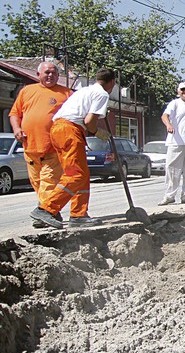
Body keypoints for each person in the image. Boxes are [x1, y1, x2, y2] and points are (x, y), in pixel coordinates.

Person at [30, 68, 116, 229]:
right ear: (112, 82)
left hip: (59, 129)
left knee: (81, 174)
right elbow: (89, 121)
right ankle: (46, 208)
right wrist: (97, 132)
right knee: (75, 174)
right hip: (69, 130)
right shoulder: (102, 94)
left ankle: (79, 214)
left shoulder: (84, 91)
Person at [9, 61, 75, 228]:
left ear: (58, 76)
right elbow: (14, 114)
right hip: (30, 146)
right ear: (38, 75)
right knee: (38, 182)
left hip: (53, 147)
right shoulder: (26, 91)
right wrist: (17, 129)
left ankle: (44, 213)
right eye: (47, 72)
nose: (50, 75)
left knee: (48, 181)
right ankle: (50, 212)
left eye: (54, 73)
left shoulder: (66, 94)